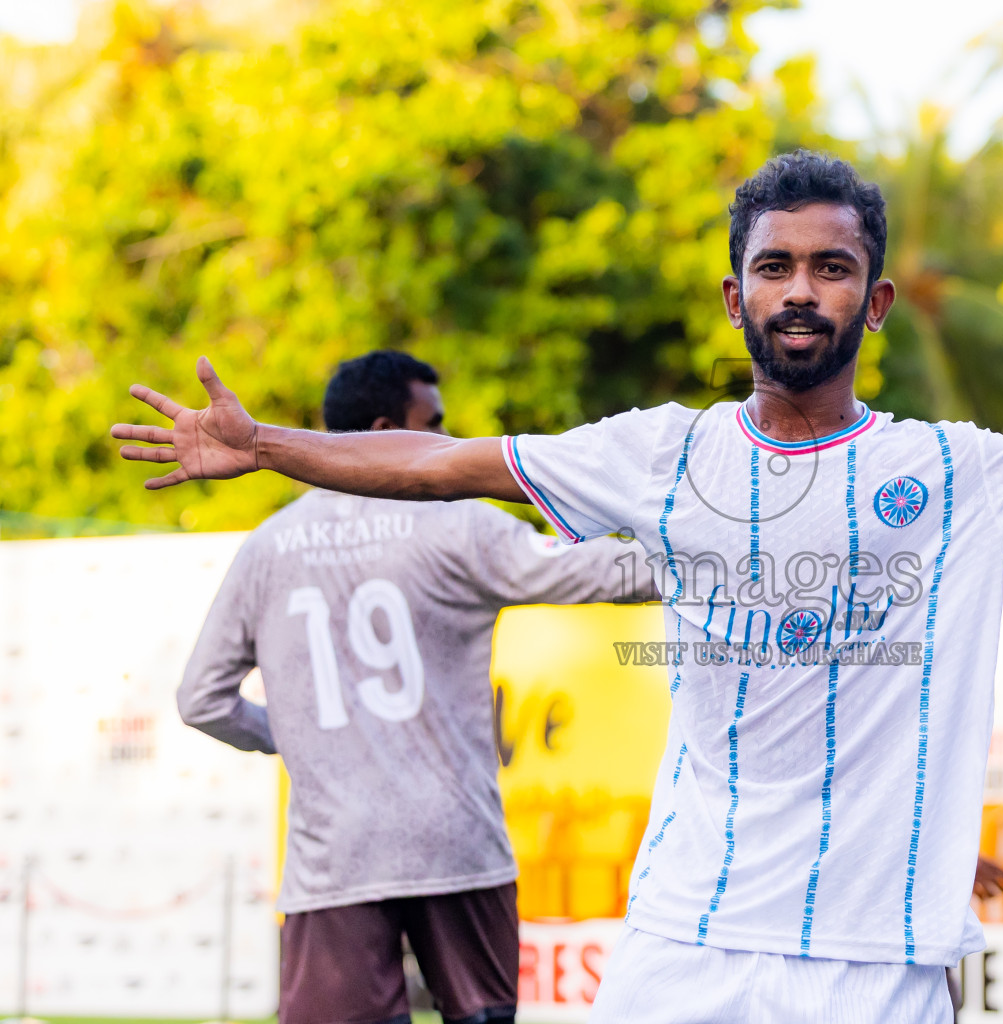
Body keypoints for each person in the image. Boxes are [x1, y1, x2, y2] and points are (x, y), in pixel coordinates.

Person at [115, 150, 1003, 1024]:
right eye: (773, 266)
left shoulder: (956, 470)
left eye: (831, 268)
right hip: (685, 941)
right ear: (734, 298)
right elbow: (443, 465)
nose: (801, 289)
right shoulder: (654, 457)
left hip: (878, 957)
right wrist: (263, 448)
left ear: (876, 301)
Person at [176, 350, 650, 1024]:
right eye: (434, 427)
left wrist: (293, 737)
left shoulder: (268, 547)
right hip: (457, 846)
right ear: (383, 431)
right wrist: (723, 549)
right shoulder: (457, 524)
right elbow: (601, 574)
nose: (451, 446)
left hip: (334, 859)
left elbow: (200, 699)